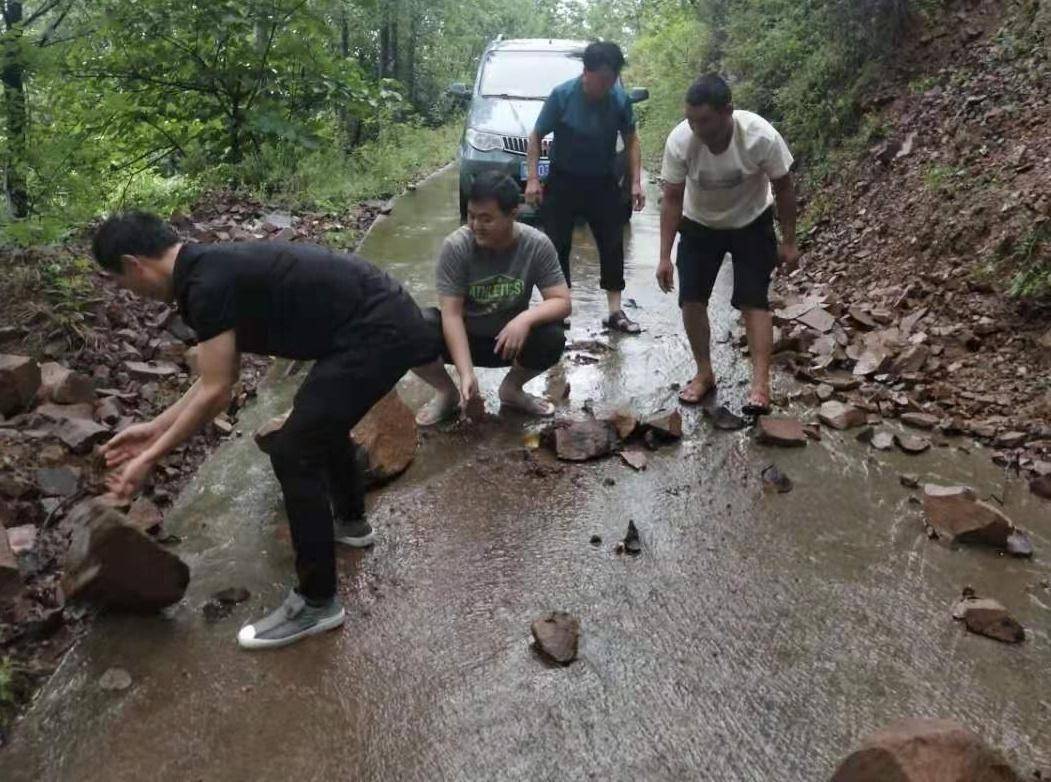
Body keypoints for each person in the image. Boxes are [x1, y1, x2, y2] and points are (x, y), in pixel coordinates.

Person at [92, 212, 446, 650]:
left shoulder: (205, 284)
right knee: (314, 423)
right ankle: (351, 523)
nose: (133, 293)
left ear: (134, 264)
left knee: (295, 449)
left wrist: (149, 457)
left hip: (379, 331)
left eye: (124, 282)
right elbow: (216, 378)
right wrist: (151, 430)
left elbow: (217, 391)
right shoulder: (205, 274)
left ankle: (318, 604)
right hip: (371, 325)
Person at [656, 74, 799, 414]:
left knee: (754, 301)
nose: (697, 128)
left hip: (752, 221)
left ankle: (760, 384)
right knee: (690, 299)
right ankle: (704, 374)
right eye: (691, 120)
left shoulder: (760, 137)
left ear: (727, 111)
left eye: (704, 120)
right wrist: (664, 256)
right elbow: (672, 199)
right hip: (699, 223)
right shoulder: (680, 142)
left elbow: (784, 188)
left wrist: (789, 242)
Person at [414, 172, 570, 425]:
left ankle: (512, 390)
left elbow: (562, 301)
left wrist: (524, 319)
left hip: (509, 343)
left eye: (486, 219)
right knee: (411, 327)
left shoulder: (536, 245)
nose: (476, 225)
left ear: (512, 214)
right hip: (465, 339)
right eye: (472, 216)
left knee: (552, 335)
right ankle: (447, 392)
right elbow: (451, 314)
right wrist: (466, 374)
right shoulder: (456, 247)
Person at [524, 40, 644, 335]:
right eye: (601, 78)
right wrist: (533, 179)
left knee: (612, 242)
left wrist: (636, 182)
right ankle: (560, 307)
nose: (606, 85)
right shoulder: (562, 96)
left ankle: (615, 311)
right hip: (564, 180)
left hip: (602, 181)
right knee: (557, 243)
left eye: (611, 79)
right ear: (585, 73)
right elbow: (536, 135)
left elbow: (631, 139)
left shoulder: (619, 99)